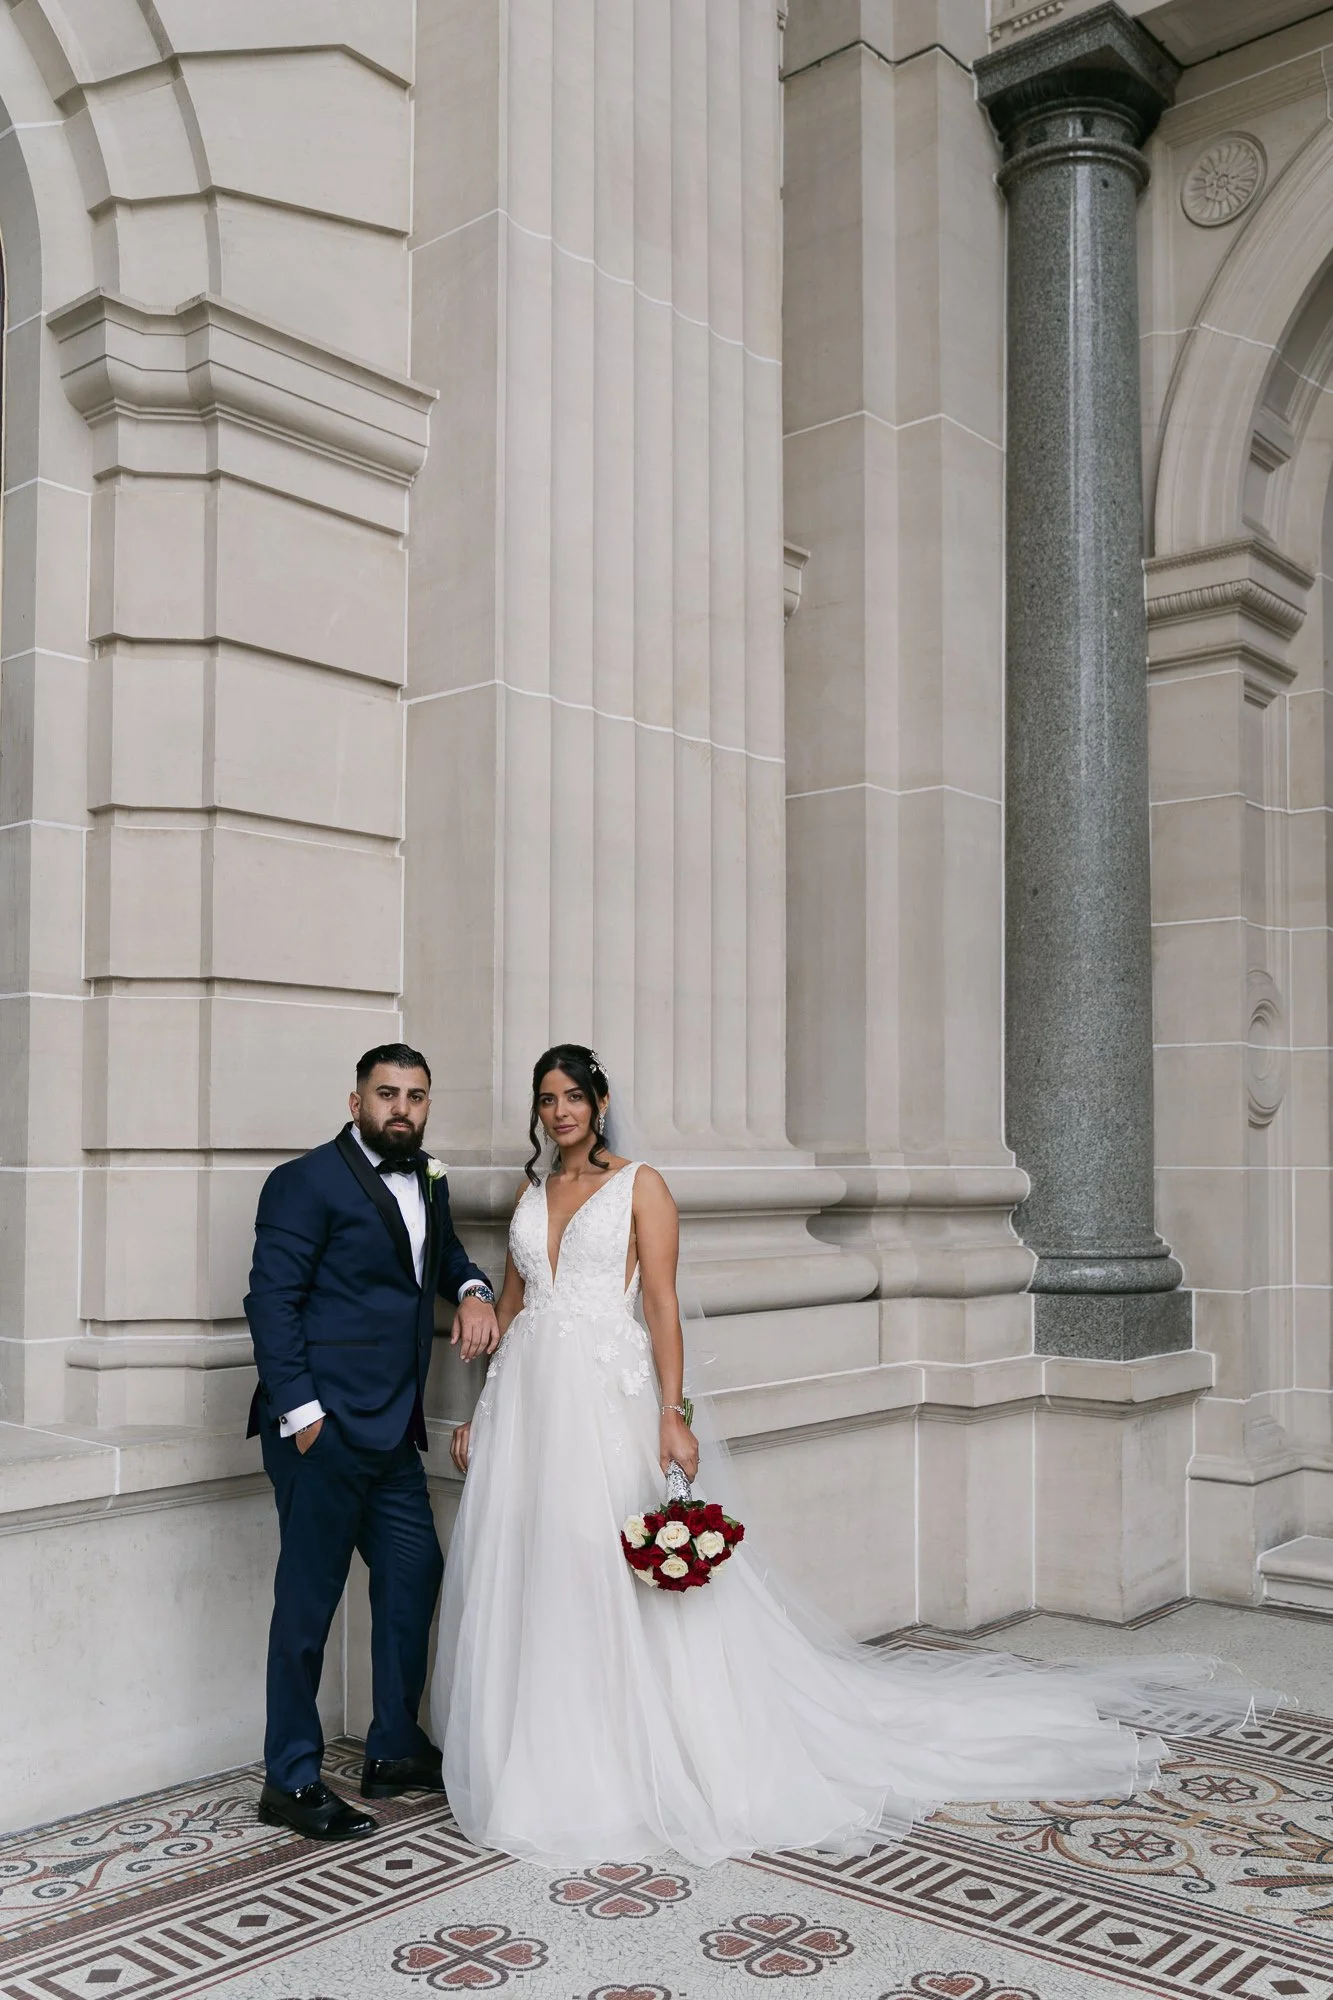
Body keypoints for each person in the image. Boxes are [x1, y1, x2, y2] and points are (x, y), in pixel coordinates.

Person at [432, 1042, 1277, 1869]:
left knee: (609, 1567)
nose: (560, 1112)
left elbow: (658, 1304)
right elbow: (515, 1301)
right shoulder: (533, 1187)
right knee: (541, 1564)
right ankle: (546, 1749)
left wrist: (672, 1412)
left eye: (571, 1098)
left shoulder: (639, 1187)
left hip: (603, 1399)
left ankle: (629, 1756)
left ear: (599, 1103)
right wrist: (479, 1407)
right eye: (546, 1100)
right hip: (529, 1402)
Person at [245, 1043, 500, 1841]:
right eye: (386, 1094)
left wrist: (470, 1288)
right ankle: (289, 1777)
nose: (402, 1108)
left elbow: (443, 1253)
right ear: (355, 1101)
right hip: (321, 1431)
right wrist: (304, 1414)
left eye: (416, 1096)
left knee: (414, 1574)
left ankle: (393, 1745)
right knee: (308, 1605)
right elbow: (271, 1304)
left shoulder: (429, 1176)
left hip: (392, 1430)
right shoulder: (302, 1182)